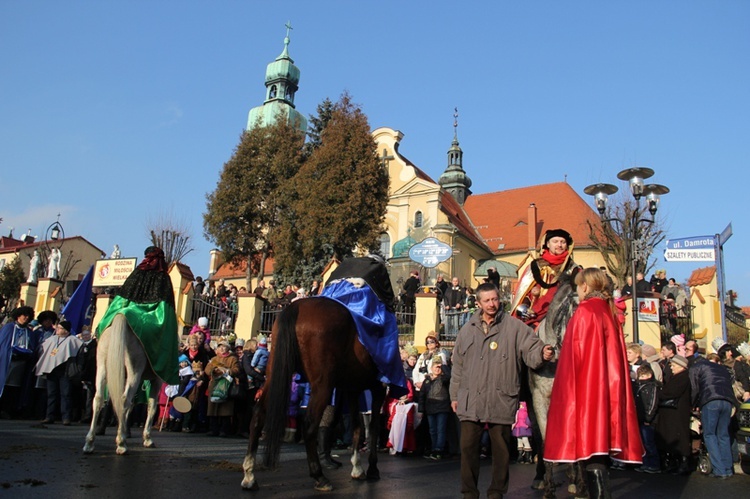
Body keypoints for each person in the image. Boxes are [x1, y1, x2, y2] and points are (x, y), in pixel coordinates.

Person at [450, 282, 554, 499]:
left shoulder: (515, 327)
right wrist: (454, 395)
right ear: (478, 303)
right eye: (486, 300)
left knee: (502, 451)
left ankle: (496, 492)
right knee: (468, 450)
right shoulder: (466, 330)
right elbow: (458, 367)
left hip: (502, 397)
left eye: (495, 299)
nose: (492, 304)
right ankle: (469, 493)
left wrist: (542, 353)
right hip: (471, 399)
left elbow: (532, 348)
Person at [544, 268, 643, 494]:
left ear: (585, 287)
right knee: (600, 452)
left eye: (579, 287)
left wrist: (567, 395)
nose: (578, 291)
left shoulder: (585, 311)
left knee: (592, 451)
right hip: (607, 392)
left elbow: (574, 360)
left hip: (588, 393)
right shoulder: (608, 313)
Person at [510, 228, 578, 329]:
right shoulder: (535, 266)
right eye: (555, 242)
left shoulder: (573, 268)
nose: (559, 245)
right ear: (547, 244)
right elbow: (522, 293)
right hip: (535, 316)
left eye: (563, 242)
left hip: (564, 314)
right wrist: (525, 306)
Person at [35, 321, 83, 425]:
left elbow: (79, 358)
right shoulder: (51, 340)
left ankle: (66, 417)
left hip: (65, 372)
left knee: (65, 395)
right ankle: (49, 416)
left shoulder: (73, 341)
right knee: (51, 394)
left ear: (65, 330)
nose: (57, 329)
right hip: (51, 371)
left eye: (60, 328)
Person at [655, 355, 692, 475]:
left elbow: (670, 392)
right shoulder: (678, 377)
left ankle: (682, 463)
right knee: (672, 435)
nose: (672, 368)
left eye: (674, 366)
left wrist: (660, 393)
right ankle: (675, 462)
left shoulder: (682, 377)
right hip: (672, 412)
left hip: (676, 412)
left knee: (678, 436)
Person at [0, 306, 37, 419]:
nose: (26, 318)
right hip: (8, 362)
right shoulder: (9, 328)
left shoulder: (29, 332)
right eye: (24, 315)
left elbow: (32, 346)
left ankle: (9, 409)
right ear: (18, 315)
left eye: (28, 316)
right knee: (4, 385)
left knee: (15, 388)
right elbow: (3, 344)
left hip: (21, 363)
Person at [418, 356, 451, 460]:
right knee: (432, 430)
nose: (437, 369)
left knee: (440, 429)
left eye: (439, 367)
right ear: (431, 368)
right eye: (435, 367)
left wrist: (443, 365)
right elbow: (422, 396)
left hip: (442, 407)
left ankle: (439, 449)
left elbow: (449, 375)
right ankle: (433, 448)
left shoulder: (444, 379)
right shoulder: (427, 381)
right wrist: (421, 410)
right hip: (430, 408)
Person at [205, 339, 240, 436]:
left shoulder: (233, 359)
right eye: (220, 347)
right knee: (213, 407)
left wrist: (227, 371)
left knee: (225, 409)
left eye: (224, 346)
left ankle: (224, 430)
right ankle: (213, 429)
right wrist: (215, 369)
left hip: (226, 385)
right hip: (214, 384)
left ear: (228, 348)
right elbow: (207, 369)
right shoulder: (214, 359)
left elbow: (236, 370)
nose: (222, 348)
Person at [633, 364, 661, 473]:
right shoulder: (639, 386)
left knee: (649, 442)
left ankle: (654, 464)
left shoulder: (652, 386)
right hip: (639, 418)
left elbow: (652, 403)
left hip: (647, 419)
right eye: (639, 375)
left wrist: (648, 418)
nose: (640, 378)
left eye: (643, 375)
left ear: (649, 375)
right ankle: (645, 463)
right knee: (642, 443)